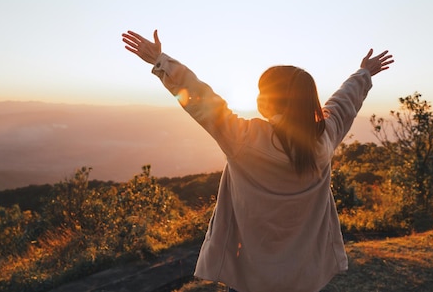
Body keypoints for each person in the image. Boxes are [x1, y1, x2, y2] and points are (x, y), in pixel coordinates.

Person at [121, 29, 393, 292]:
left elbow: (201, 99)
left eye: (263, 91)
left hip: (250, 276)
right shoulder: (324, 138)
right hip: (304, 275)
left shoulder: (245, 139)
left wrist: (161, 61)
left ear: (274, 100)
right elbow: (343, 104)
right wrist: (363, 74)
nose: (258, 96)